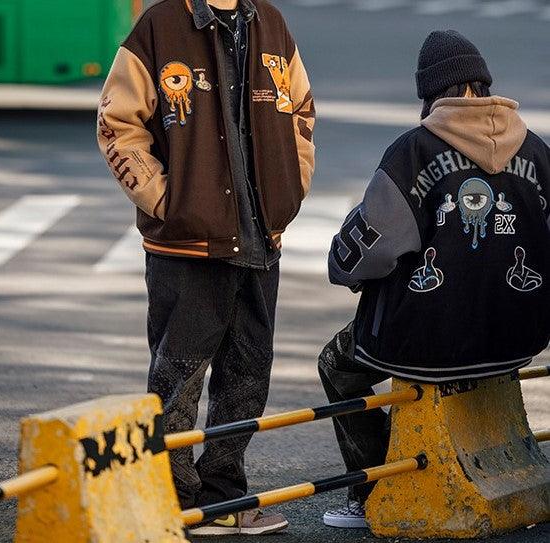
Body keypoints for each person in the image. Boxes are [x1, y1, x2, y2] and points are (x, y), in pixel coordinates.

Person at [97, 0, 315, 535]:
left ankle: (225, 496)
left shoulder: (270, 22)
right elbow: (116, 122)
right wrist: (167, 201)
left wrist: (290, 189)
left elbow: (302, 113)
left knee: (248, 371)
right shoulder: (160, 25)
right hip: (187, 246)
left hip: (261, 237)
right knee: (177, 378)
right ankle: (173, 498)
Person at [319, 29, 550, 529]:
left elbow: (365, 250)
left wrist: (342, 268)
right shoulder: (536, 151)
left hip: (428, 340)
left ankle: (372, 488)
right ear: (482, 84)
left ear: (432, 92)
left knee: (337, 369)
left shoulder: (414, 152)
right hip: (515, 337)